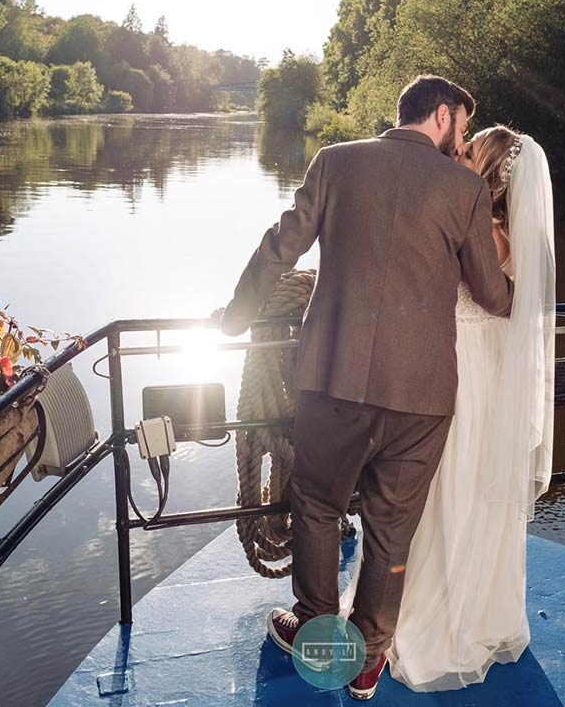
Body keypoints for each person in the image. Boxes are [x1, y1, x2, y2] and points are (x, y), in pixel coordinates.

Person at [217, 75, 513, 700]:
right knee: (390, 528)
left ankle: (316, 628)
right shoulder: (466, 189)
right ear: (442, 114)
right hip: (423, 397)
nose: (463, 135)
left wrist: (235, 317)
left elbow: (279, 248)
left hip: (333, 383)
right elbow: (491, 295)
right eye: (463, 122)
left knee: (318, 507)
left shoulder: (335, 162)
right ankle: (370, 657)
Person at [341, 126, 556, 691]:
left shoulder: (473, 225)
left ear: (481, 169)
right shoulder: (511, 232)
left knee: (427, 492)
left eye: (464, 151)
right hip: (487, 372)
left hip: (451, 365)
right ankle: (478, 614)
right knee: (469, 490)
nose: (453, 154)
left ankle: (409, 622)